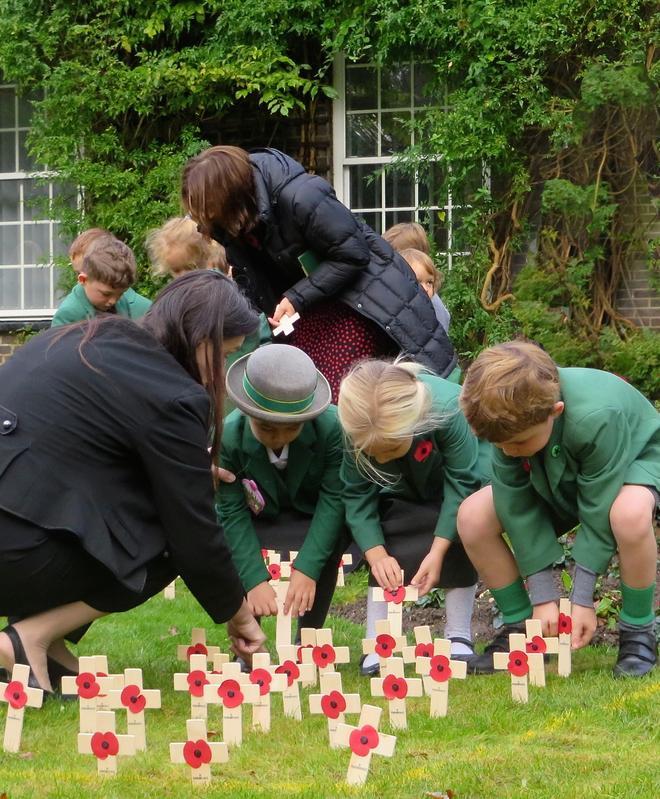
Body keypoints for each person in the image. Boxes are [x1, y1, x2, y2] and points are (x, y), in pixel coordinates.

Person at [0, 271, 266, 695]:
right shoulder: (174, 393)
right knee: (166, 539)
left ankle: (45, 647)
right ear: (202, 340)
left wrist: (184, 474)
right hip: (14, 552)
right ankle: (26, 639)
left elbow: (79, 459)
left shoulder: (86, 337)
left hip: (15, 526)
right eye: (226, 354)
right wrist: (239, 614)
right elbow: (193, 533)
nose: (223, 370)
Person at [181, 146, 457, 402]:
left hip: (363, 301)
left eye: (206, 210)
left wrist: (296, 298)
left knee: (336, 395)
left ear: (231, 196)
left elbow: (353, 254)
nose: (201, 220)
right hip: (309, 311)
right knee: (297, 390)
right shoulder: (232, 225)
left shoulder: (303, 196)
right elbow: (249, 279)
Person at [457, 340, 659, 677]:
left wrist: (581, 599)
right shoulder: (507, 428)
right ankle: (522, 629)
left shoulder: (596, 416)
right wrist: (543, 599)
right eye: (499, 446)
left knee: (628, 514)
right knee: (473, 517)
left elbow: (599, 507)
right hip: (556, 475)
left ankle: (638, 632)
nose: (507, 452)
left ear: (556, 411)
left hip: (635, 462)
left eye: (517, 443)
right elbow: (516, 508)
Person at [337, 359, 491, 675]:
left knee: (463, 529)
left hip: (453, 488)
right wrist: (375, 553)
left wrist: (438, 551)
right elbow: (356, 495)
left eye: (389, 448)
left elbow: (463, 481)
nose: (380, 458)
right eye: (372, 452)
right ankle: (378, 641)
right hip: (397, 492)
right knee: (392, 533)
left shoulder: (448, 408)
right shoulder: (356, 425)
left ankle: (458, 636)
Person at [217, 343, 349, 642]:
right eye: (266, 428)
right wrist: (253, 580)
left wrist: (307, 568)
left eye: (291, 428)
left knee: (335, 537)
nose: (278, 437)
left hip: (313, 515)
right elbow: (232, 512)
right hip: (258, 520)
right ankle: (248, 639)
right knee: (227, 543)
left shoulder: (332, 429)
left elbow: (334, 500)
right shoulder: (228, 437)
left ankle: (309, 639)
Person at [52, 235, 152, 326]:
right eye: (106, 294)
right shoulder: (67, 316)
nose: (113, 301)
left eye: (121, 294)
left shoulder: (137, 306)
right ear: (83, 280)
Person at [146, 216, 229, 277]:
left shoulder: (219, 287)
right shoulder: (176, 295)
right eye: (176, 270)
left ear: (207, 256)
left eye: (190, 268)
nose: (183, 276)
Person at [399, 247, 451, 334]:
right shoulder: (397, 314)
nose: (425, 289)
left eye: (429, 282)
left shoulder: (434, 314)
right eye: (417, 282)